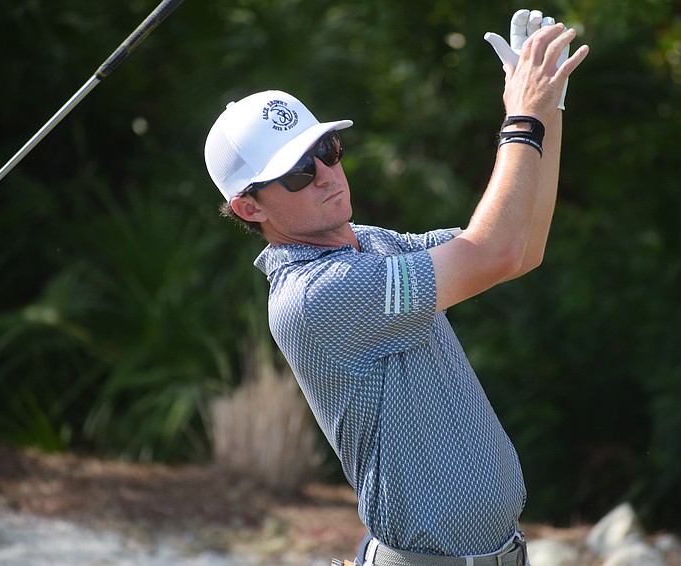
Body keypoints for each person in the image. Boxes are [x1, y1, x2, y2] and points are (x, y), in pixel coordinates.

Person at [204, 8, 588, 566]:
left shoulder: (370, 243)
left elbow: (520, 250)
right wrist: (522, 116)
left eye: (327, 152)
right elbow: (493, 249)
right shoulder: (317, 295)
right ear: (248, 206)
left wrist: (547, 112)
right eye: (298, 173)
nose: (328, 174)